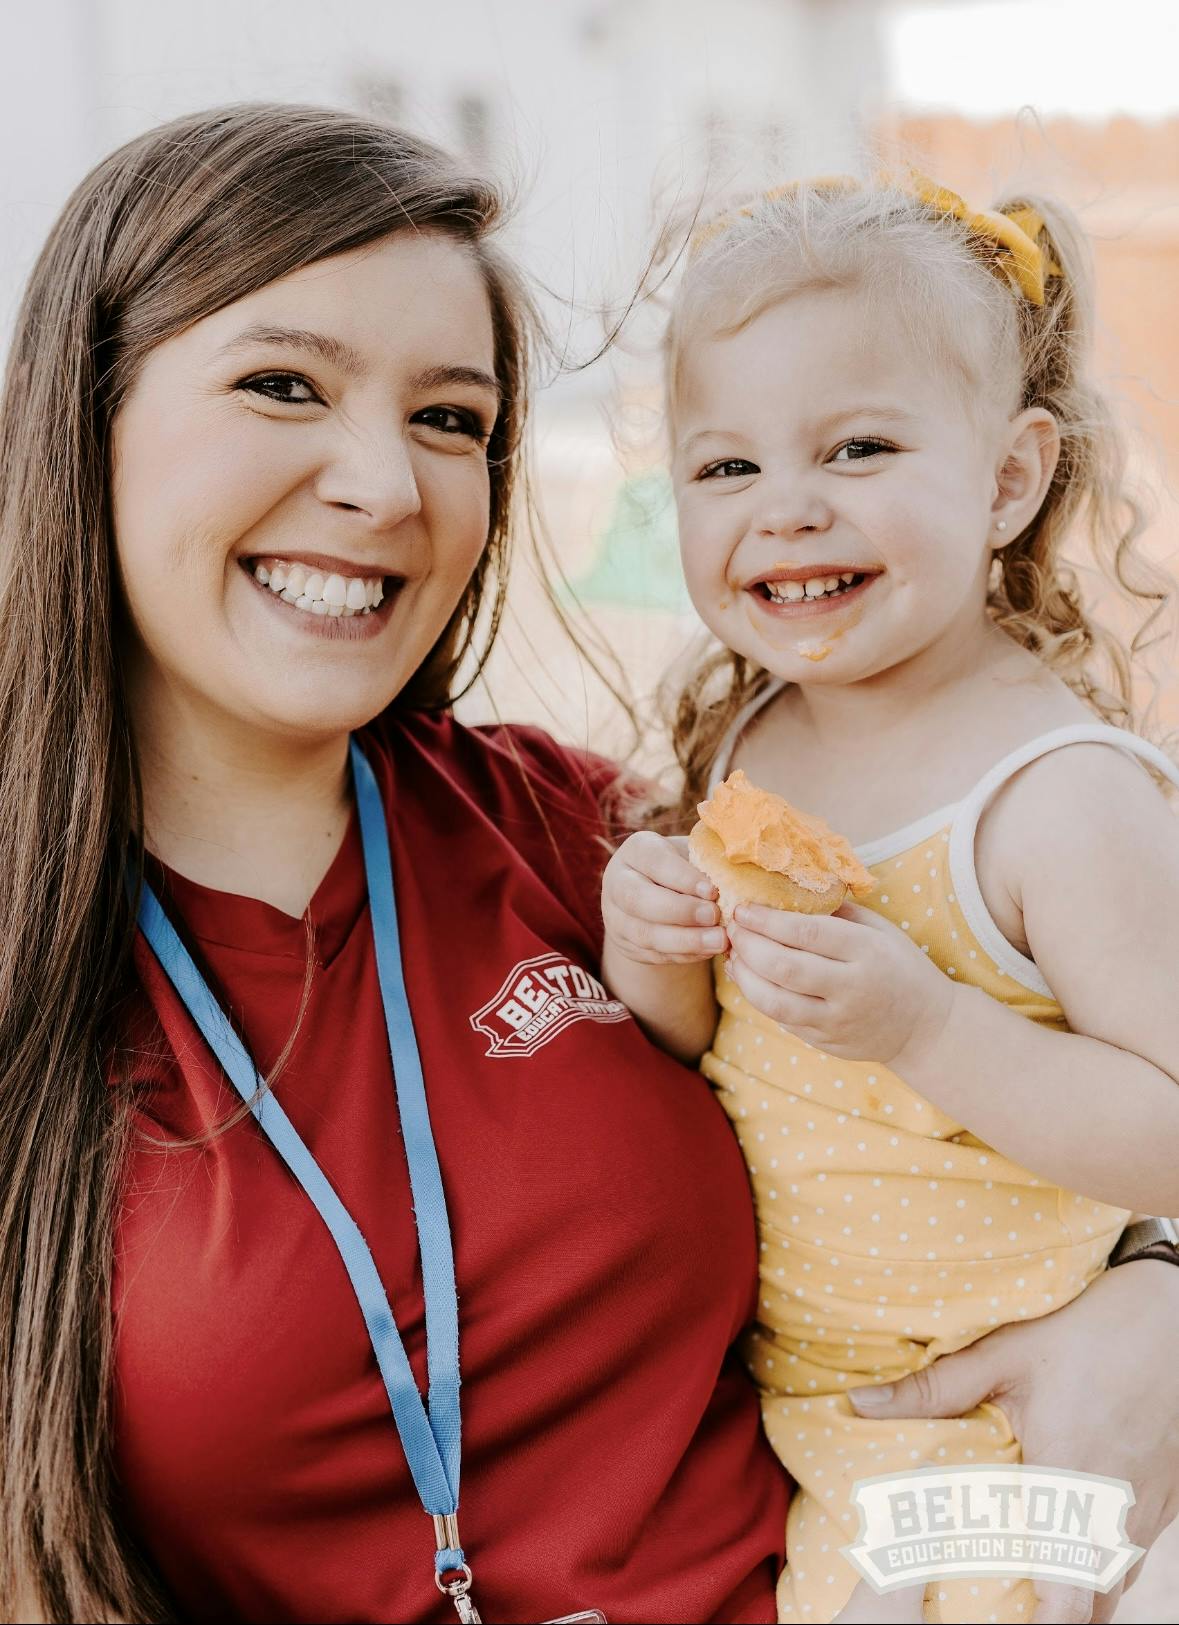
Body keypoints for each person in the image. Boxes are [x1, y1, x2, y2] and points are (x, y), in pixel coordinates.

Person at [0, 109, 1175, 1625]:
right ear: (79, 415)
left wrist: (1151, 1293)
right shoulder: (37, 970)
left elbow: (1023, 1058)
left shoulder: (598, 835)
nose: (381, 484)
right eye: (282, 385)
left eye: (450, 419)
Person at [599, 174, 1179, 1624]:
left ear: (1005, 477)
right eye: (724, 469)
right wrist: (653, 945)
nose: (785, 509)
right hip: (812, 1411)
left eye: (856, 448)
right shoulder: (752, 738)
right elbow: (708, 1055)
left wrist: (928, 1031)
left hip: (999, 1402)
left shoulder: (1056, 792)